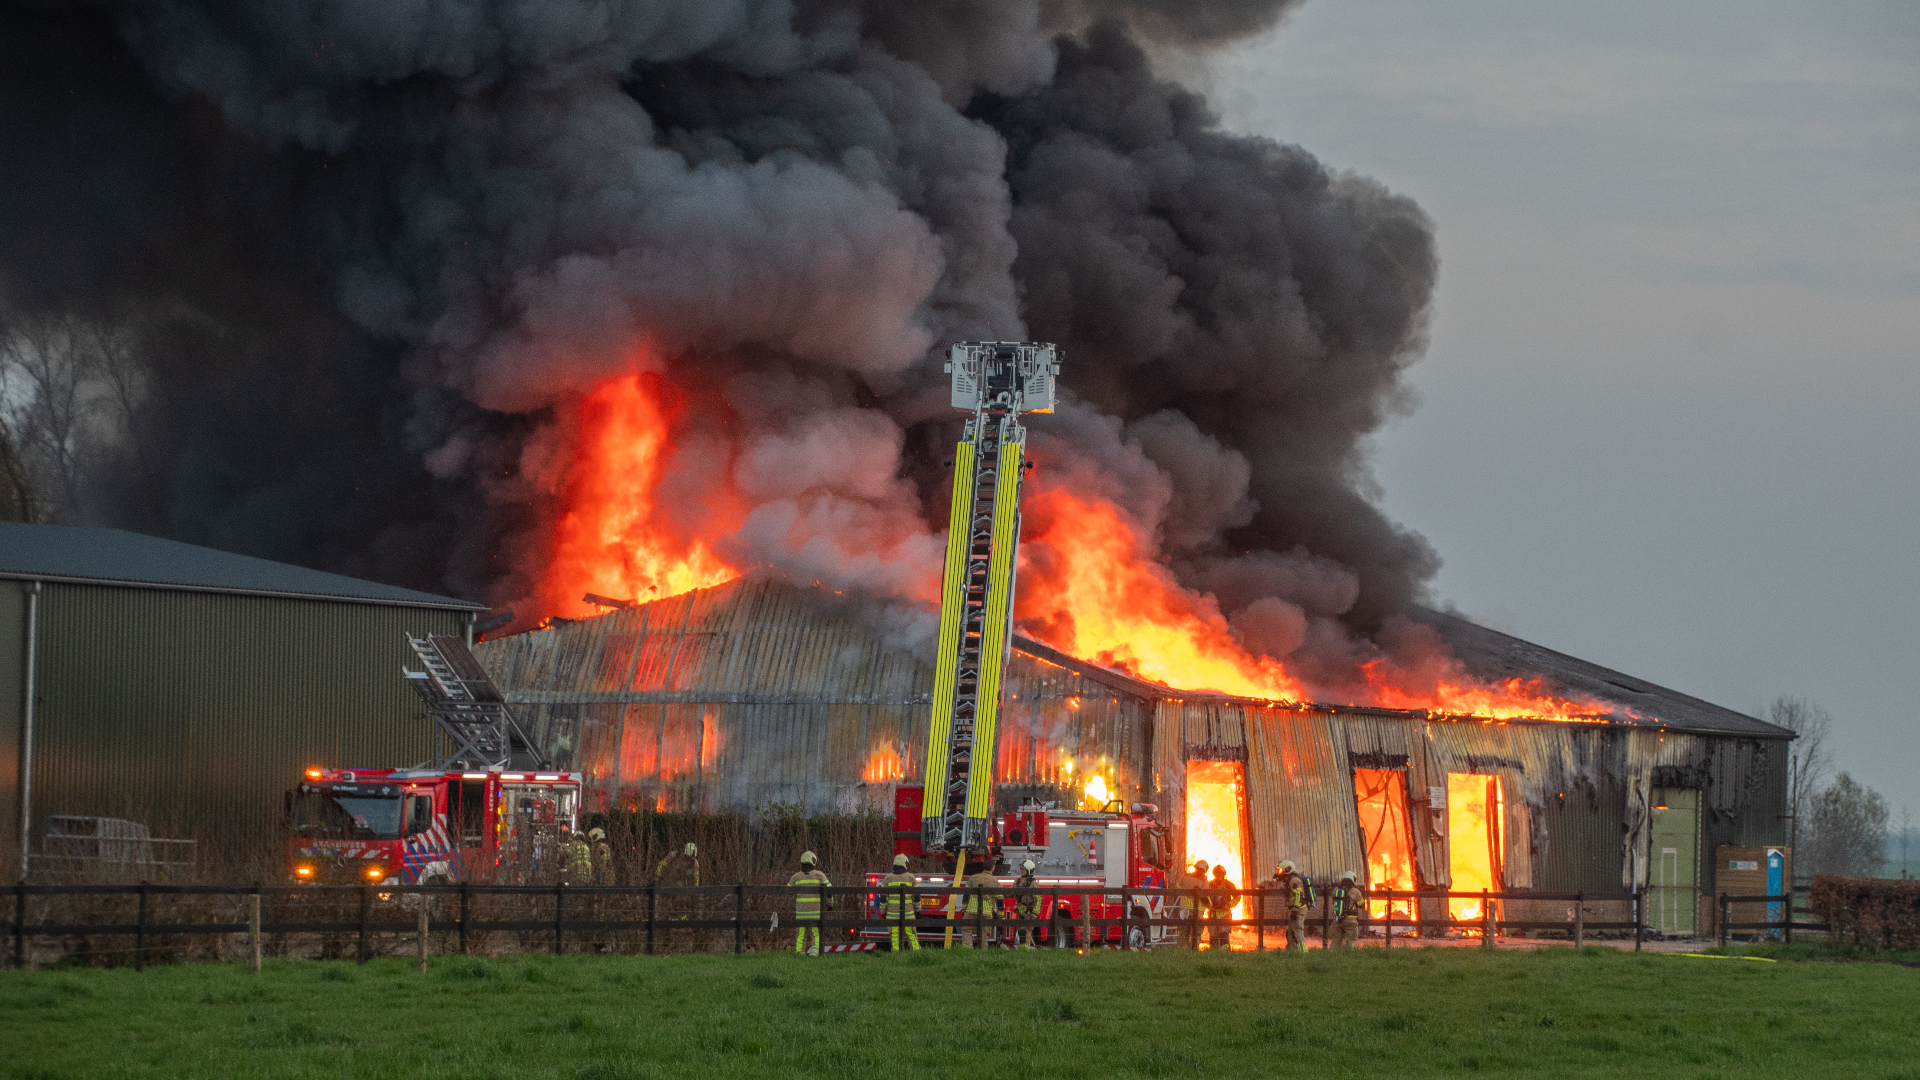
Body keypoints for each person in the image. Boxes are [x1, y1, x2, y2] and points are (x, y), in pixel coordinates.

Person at [789, 851, 831, 956]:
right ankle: (814, 953)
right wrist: (830, 904)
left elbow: (788, 890)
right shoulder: (819, 875)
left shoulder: (795, 877)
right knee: (815, 934)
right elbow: (829, 891)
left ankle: (799, 953)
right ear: (813, 861)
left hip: (801, 912)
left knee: (800, 935)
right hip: (815, 912)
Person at [879, 854, 921, 952]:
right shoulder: (911, 878)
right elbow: (917, 896)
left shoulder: (888, 878)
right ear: (905, 863)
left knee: (894, 936)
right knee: (911, 935)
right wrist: (918, 910)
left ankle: (896, 955)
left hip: (892, 915)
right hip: (908, 914)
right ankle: (916, 954)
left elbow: (883, 898)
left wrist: (882, 911)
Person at [1277, 860, 1313, 952]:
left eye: (1281, 870)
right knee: (1291, 932)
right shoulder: (1290, 879)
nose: (1279, 872)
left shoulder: (1294, 880)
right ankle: (1292, 951)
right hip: (1295, 909)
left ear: (1287, 869)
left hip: (1299, 909)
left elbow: (1298, 895)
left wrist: (1295, 910)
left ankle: (1303, 952)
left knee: (1297, 930)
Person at [962, 865, 1002, 948]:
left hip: (971, 911)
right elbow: (1000, 900)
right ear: (993, 868)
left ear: (983, 867)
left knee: (967, 931)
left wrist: (964, 908)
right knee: (984, 935)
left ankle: (966, 952)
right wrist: (1000, 915)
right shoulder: (995, 882)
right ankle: (982, 954)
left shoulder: (973, 878)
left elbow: (965, 895)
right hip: (986, 913)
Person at [1204, 863, 1239, 951]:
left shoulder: (1228, 884)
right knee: (1213, 935)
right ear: (1214, 874)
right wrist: (1208, 905)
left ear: (1223, 874)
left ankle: (1225, 953)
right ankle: (1214, 952)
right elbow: (1204, 896)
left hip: (1225, 914)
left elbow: (1238, 897)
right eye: (1216, 874)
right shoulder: (1209, 884)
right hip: (1213, 914)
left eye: (1220, 873)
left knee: (1223, 934)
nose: (1218, 875)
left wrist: (1229, 904)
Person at [1174, 860, 1208, 950]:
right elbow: (1205, 897)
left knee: (1183, 930)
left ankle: (1182, 949)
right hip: (1197, 910)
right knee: (1196, 931)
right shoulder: (1204, 881)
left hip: (1184, 908)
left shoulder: (1185, 876)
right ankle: (1194, 949)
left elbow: (1177, 888)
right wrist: (1210, 905)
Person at [1330, 870, 1366, 949]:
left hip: (1337, 920)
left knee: (1336, 940)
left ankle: (1331, 957)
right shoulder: (1355, 891)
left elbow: (1333, 902)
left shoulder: (1336, 890)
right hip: (1351, 921)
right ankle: (1349, 957)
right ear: (1353, 879)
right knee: (1350, 940)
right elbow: (1361, 904)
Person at [1012, 860, 1041, 949]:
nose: (1021, 871)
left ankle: (1025, 951)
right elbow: (1010, 893)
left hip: (1029, 913)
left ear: (1029, 870)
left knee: (1026, 932)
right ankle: (1023, 950)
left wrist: (1035, 913)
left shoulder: (1033, 883)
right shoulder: (1017, 881)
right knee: (1021, 932)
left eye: (1024, 869)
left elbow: (1039, 899)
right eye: (1021, 869)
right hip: (1021, 912)